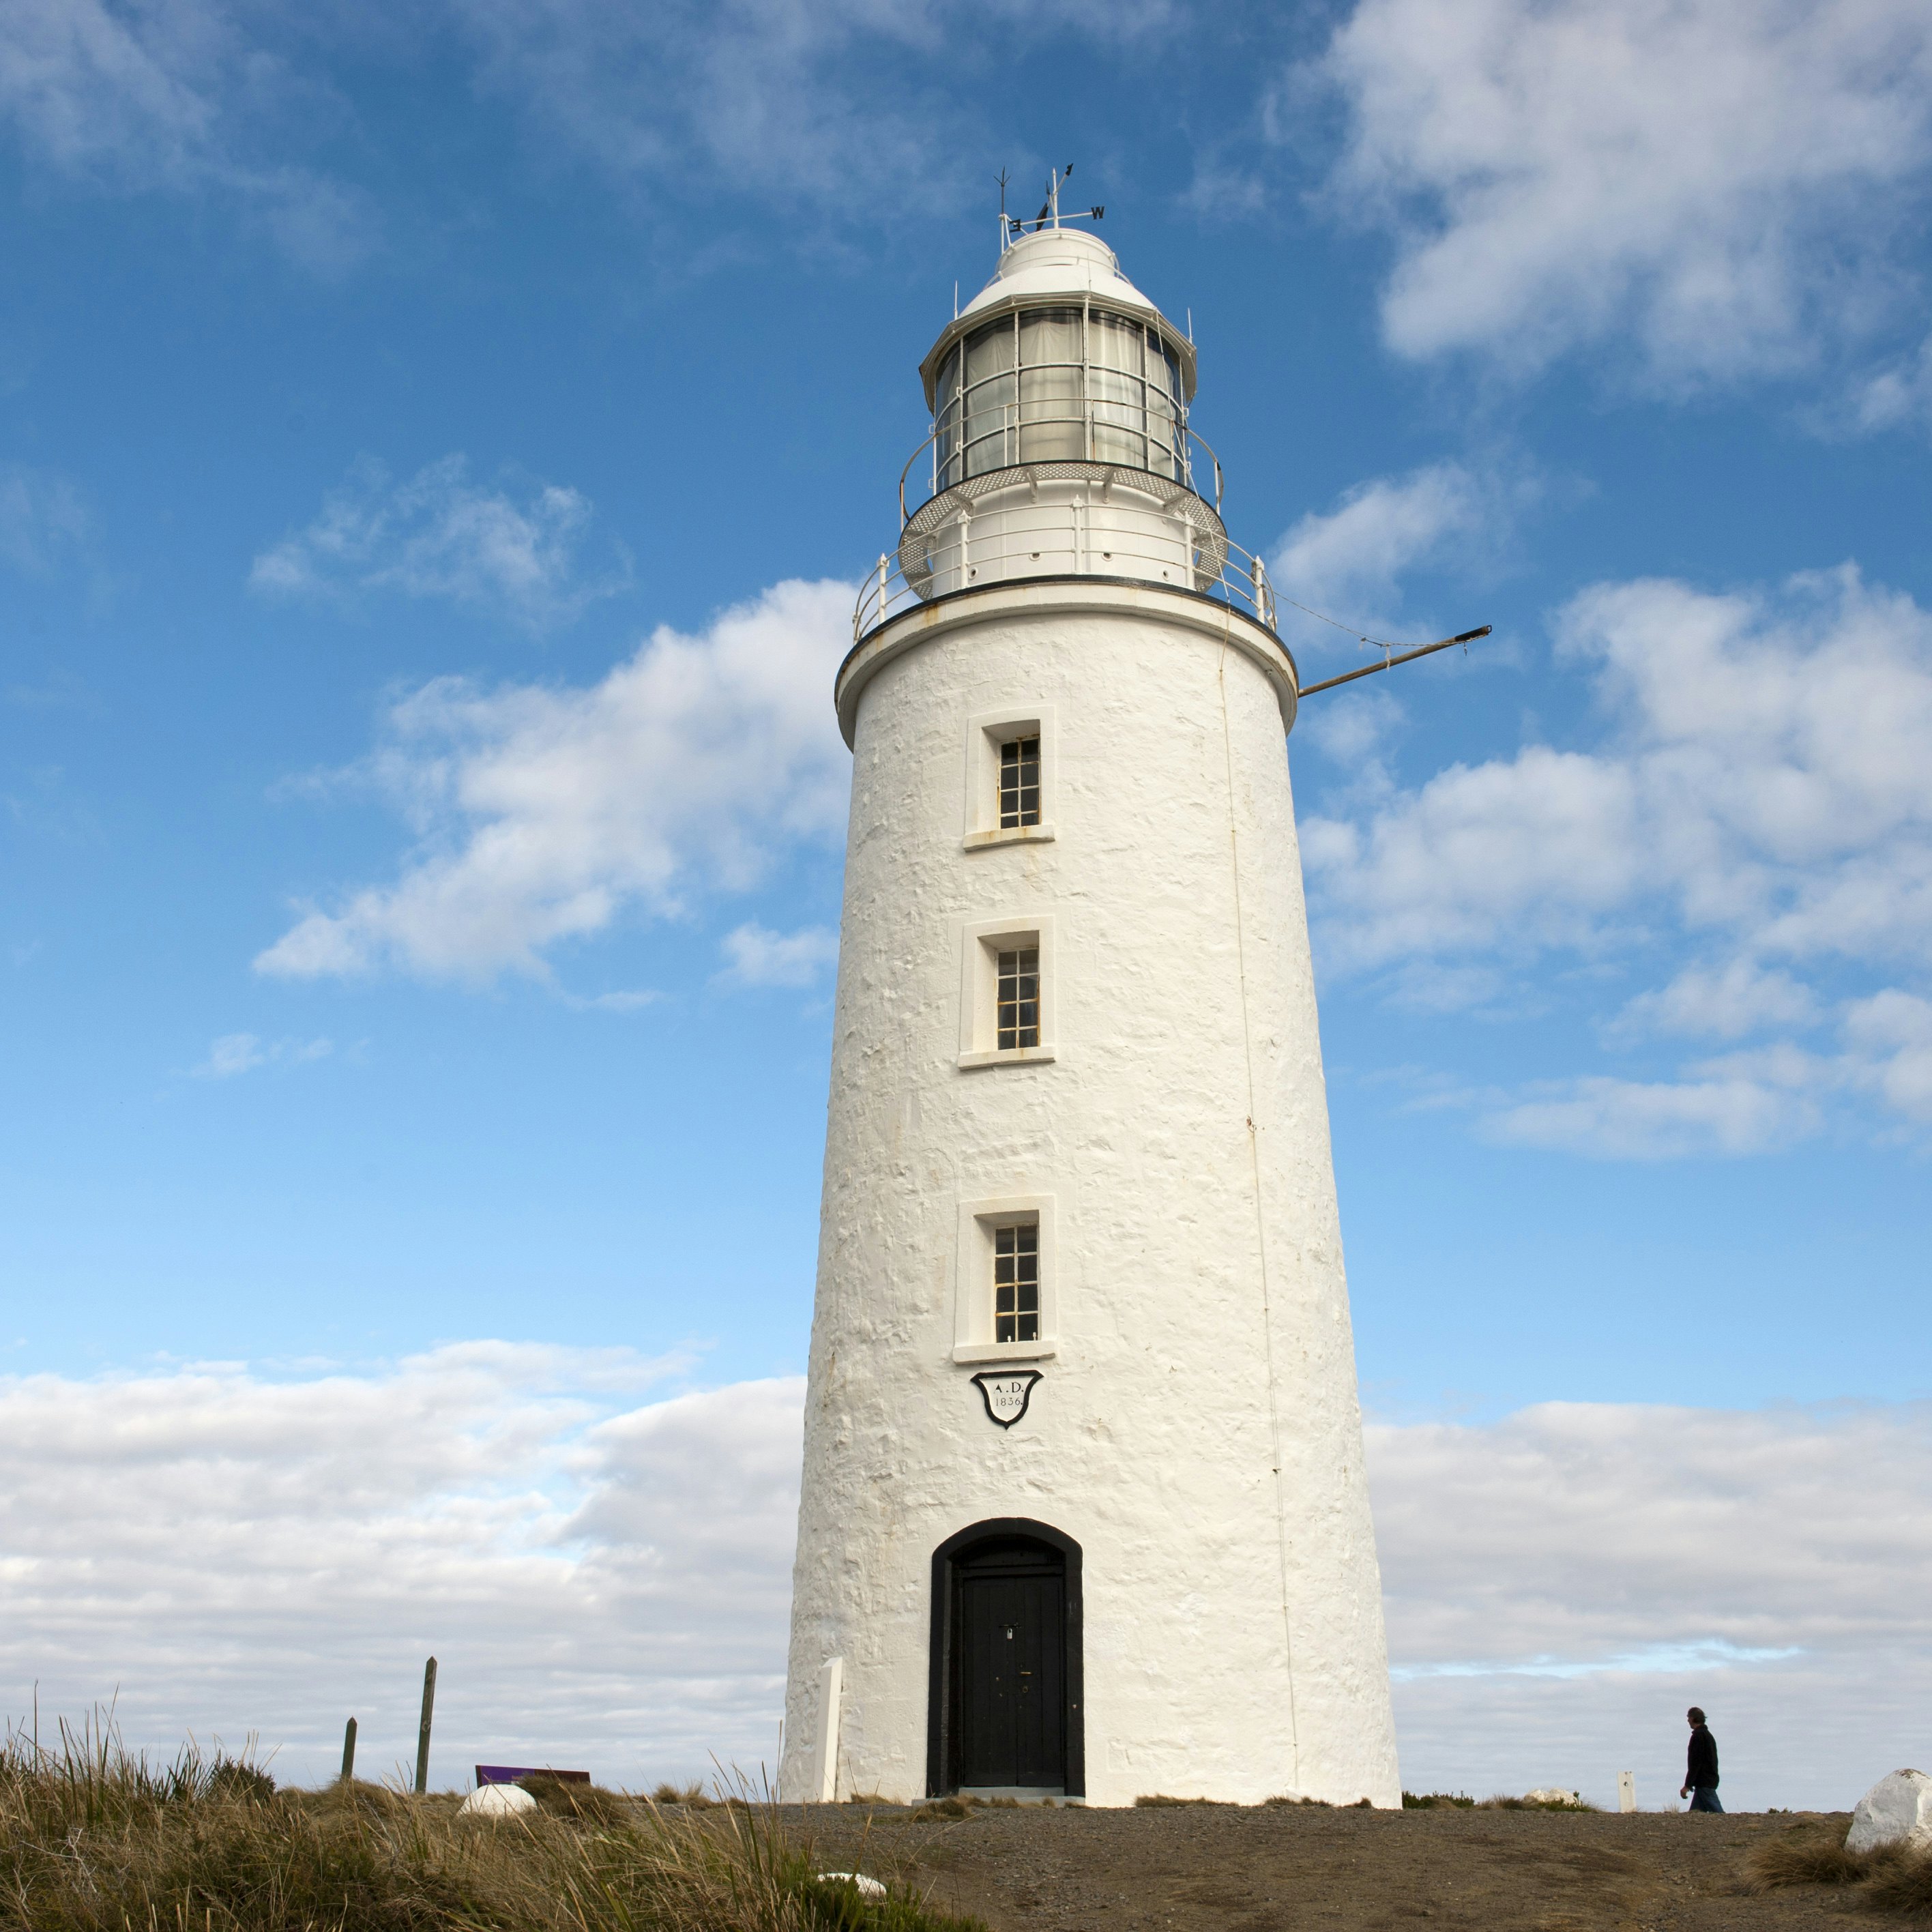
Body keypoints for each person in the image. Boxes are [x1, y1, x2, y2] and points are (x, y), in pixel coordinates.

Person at [1680, 1707, 1721, 1812]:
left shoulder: (1698, 1737)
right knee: (1695, 1815)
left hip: (1704, 1783)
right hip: (1706, 1782)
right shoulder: (1708, 1736)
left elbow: (1696, 1763)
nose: (1688, 1720)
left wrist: (1687, 1785)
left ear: (1693, 1718)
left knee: (1719, 1815)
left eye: (1689, 1717)